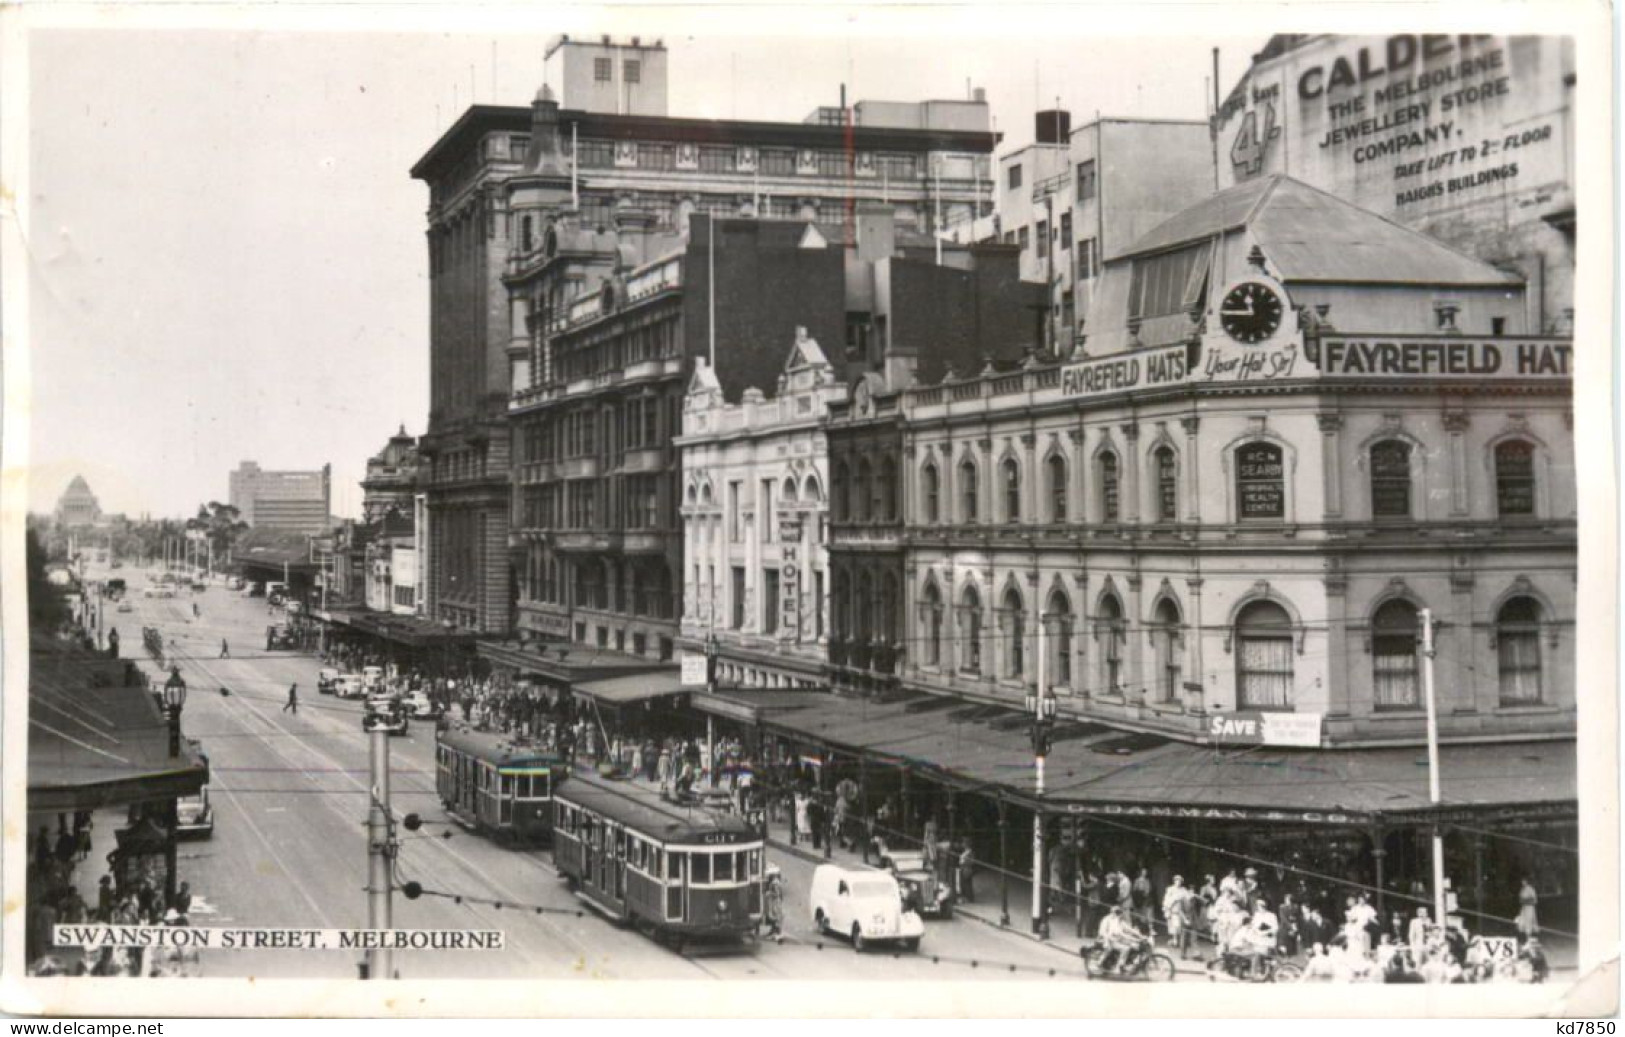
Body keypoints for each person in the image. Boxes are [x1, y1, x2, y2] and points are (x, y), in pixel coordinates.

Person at [1097, 905, 1147, 975]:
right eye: (1116, 913)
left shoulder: (1117, 920)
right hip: (1108, 940)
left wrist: (1141, 936)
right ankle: (1118, 968)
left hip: (1116, 939)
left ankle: (1128, 963)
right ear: (1112, 912)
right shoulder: (1108, 920)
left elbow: (1129, 929)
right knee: (1126, 949)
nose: (1119, 915)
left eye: (1119, 913)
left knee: (1134, 945)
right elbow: (1119, 934)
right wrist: (1135, 939)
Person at [762, 868, 785, 943]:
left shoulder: (775, 883)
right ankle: (774, 932)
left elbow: (777, 893)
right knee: (776, 917)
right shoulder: (777, 882)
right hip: (777, 902)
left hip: (775, 902)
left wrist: (769, 893)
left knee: (775, 917)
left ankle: (776, 933)